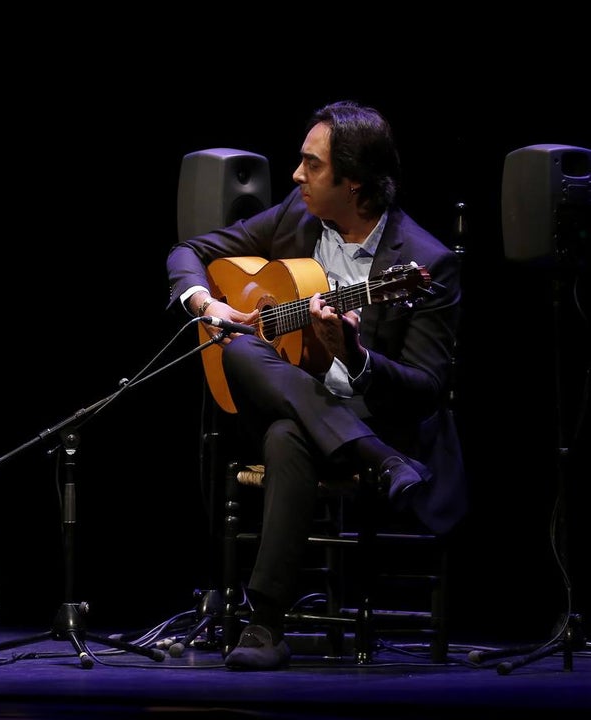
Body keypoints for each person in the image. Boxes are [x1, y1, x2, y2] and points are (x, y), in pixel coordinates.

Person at [165, 100, 465, 670]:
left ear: (354, 183)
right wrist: (207, 303)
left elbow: (426, 389)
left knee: (284, 435)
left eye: (312, 164)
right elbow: (189, 250)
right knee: (236, 342)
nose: (297, 175)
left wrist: (355, 355)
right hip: (323, 413)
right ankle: (375, 460)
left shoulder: (426, 264)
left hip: (382, 421)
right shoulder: (295, 218)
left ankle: (264, 626)